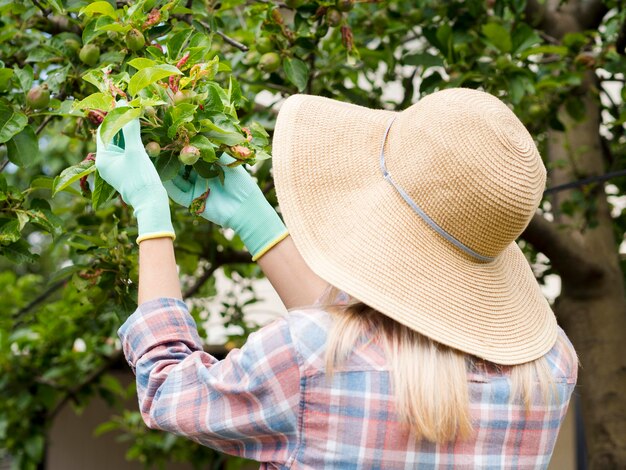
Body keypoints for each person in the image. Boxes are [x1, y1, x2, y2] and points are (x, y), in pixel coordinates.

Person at [95, 87, 578, 469]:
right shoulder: (549, 370)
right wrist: (256, 222)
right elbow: (359, 345)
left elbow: (165, 387)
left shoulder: (304, 357)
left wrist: (151, 212)